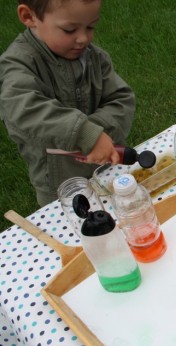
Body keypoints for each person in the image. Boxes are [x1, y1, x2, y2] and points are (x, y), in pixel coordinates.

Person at [0, 0, 135, 206]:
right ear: (29, 17)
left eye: (90, 27)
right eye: (69, 29)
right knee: (76, 232)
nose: (83, 38)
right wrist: (85, 133)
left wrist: (97, 134)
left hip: (108, 168)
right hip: (61, 185)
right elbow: (23, 109)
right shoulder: (18, 64)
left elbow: (121, 99)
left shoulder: (94, 57)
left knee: (128, 219)